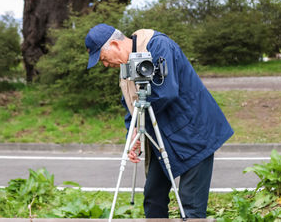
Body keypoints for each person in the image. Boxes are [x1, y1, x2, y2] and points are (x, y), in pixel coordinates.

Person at [85, 23, 234, 218]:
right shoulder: (128, 68)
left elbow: (165, 93)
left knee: (190, 206)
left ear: (114, 44)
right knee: (153, 197)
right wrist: (134, 135)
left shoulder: (158, 45)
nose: (105, 64)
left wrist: (141, 128)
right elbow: (132, 105)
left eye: (103, 58)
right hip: (164, 136)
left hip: (196, 133)